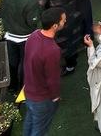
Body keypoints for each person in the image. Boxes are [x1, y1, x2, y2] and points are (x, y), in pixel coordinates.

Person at [23, 7, 66, 136]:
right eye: (63, 20)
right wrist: (55, 96)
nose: (65, 22)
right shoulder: (52, 50)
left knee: (30, 122)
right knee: (39, 130)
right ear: (55, 25)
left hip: (29, 91)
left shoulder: (34, 35)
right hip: (42, 98)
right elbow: (52, 79)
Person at [0, 0, 43, 92]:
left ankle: (12, 85)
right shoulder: (31, 1)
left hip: (9, 35)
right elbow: (32, 21)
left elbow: (1, 11)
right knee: (24, 64)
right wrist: (39, 8)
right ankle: (23, 88)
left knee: (13, 62)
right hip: (24, 37)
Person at [47, 0, 82, 76]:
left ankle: (69, 66)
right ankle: (71, 63)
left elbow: (51, 5)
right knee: (72, 40)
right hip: (72, 17)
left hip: (61, 20)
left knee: (63, 43)